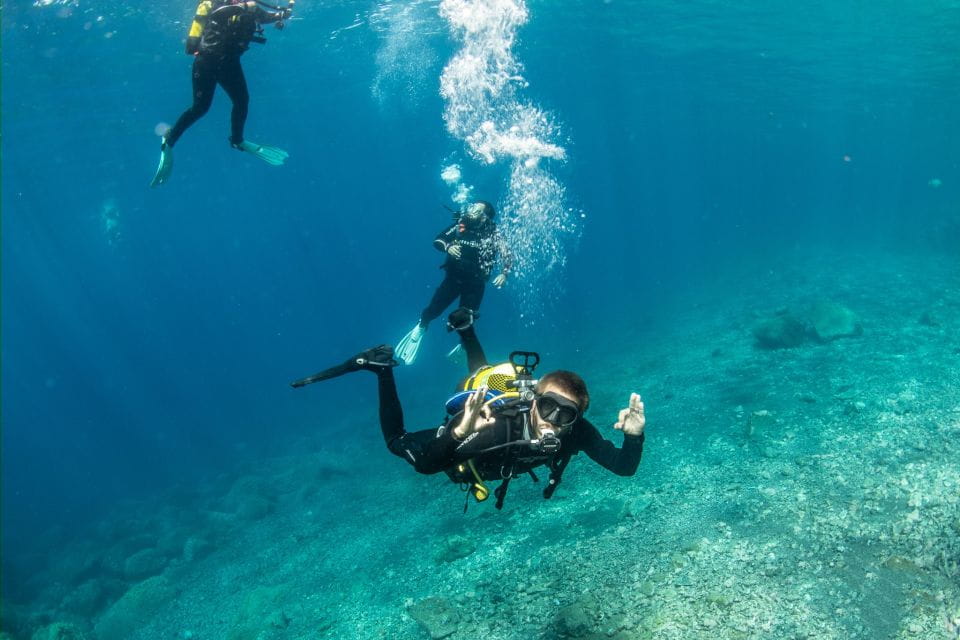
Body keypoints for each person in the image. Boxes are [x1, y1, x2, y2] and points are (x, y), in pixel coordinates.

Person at [292, 308, 645, 510]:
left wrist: (634, 436)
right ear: (534, 398)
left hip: (483, 433)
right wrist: (460, 433)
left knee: (479, 375)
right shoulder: (497, 427)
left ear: (576, 419)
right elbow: (429, 466)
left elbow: (623, 467)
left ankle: (465, 330)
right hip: (466, 432)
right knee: (397, 442)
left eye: (565, 415)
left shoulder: (577, 433)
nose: (553, 422)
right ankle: (382, 369)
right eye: (548, 407)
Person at [151, 0, 292, 187]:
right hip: (207, 60)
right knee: (200, 108)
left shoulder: (249, 6)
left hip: (230, 64)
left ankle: (237, 140)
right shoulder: (213, 4)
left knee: (242, 101)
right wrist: (244, 7)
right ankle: (169, 141)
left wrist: (280, 15)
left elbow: (265, 17)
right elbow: (220, 14)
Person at [394, 200, 512, 364]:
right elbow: (438, 240)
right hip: (453, 279)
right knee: (434, 308)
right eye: (472, 208)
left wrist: (504, 274)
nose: (471, 212)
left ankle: (464, 344)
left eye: (477, 211)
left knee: (467, 317)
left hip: (476, 283)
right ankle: (422, 326)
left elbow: (507, 254)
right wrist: (448, 247)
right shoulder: (461, 225)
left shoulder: (493, 233)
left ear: (485, 217)